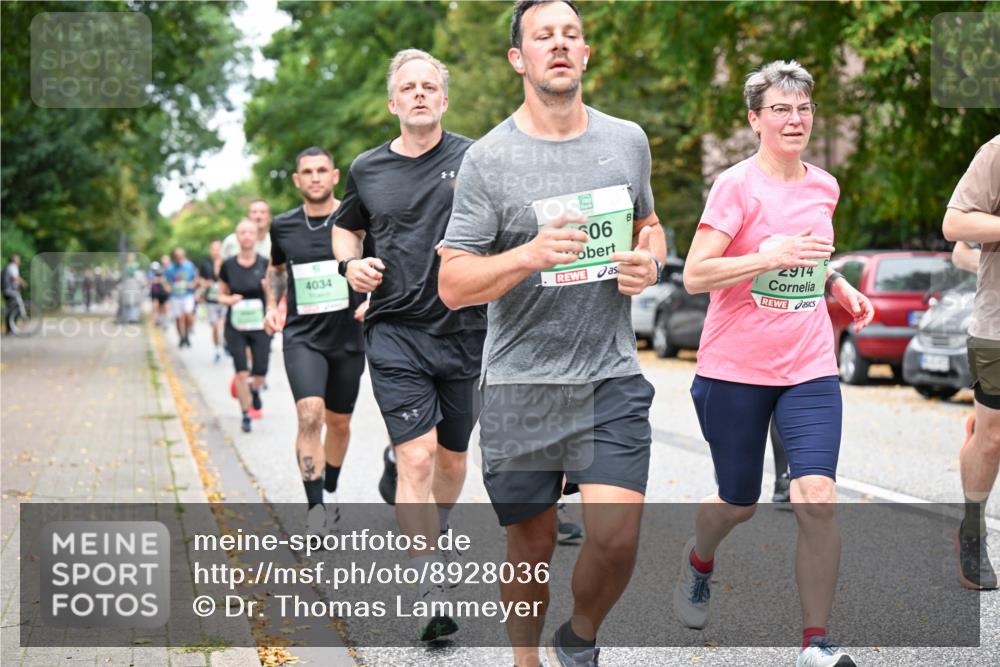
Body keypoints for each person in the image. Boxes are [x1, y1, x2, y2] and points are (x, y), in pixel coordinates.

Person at [438, 2, 666, 664]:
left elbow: (648, 223)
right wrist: (527, 256)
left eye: (571, 35)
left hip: (610, 371)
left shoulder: (627, 140)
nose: (559, 45)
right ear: (520, 58)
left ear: (586, 54)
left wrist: (649, 257)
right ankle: (525, 658)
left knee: (617, 536)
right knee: (532, 544)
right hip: (520, 381)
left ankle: (580, 636)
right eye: (544, 37)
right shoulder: (489, 158)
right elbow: (453, 283)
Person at [675, 60, 874, 667]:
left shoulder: (824, 185)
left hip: (809, 364)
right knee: (738, 502)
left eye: (804, 108)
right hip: (734, 367)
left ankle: (815, 643)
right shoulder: (735, 186)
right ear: (755, 119)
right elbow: (695, 274)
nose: (795, 119)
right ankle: (698, 558)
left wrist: (836, 283)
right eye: (781, 109)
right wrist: (768, 256)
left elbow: (808, 260)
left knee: (816, 492)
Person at [333, 48, 487, 643]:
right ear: (393, 102)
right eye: (409, 88)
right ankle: (428, 588)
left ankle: (433, 526)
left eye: (430, 86)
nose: (420, 94)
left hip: (466, 331)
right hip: (394, 329)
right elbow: (347, 227)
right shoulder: (367, 168)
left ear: (443, 99)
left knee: (450, 460)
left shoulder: (476, 157)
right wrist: (352, 266)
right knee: (419, 458)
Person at [264, 147, 368, 538]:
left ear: (335, 175)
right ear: (297, 180)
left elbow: (379, 263)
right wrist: (274, 305)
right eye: (306, 171)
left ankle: (331, 487)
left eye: (322, 170)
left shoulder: (355, 221)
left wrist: (373, 301)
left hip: (347, 335)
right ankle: (315, 509)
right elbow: (275, 270)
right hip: (302, 337)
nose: (315, 177)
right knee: (310, 415)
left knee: (339, 423)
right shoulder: (284, 226)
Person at [942, 134, 1000, 590]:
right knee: (993, 436)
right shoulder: (997, 153)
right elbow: (955, 226)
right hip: (998, 327)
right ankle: (972, 528)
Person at [218, 220, 272, 433]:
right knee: (241, 372)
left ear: (256, 236)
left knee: (260, 372)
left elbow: (275, 295)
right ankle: (245, 413)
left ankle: (254, 389)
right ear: (237, 237)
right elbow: (219, 294)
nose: (247, 236)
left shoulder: (265, 263)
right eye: (243, 233)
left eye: (251, 232)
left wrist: (269, 292)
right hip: (236, 326)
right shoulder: (228, 265)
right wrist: (229, 300)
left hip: (259, 325)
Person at [165, 248, 198, 347]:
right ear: (174, 257)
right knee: (178, 319)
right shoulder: (170, 268)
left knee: (188, 315)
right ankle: (181, 337)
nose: (179, 258)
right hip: (175, 296)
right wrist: (167, 287)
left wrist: (193, 284)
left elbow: (196, 278)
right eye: (177, 256)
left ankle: (187, 335)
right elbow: (165, 281)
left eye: (181, 256)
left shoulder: (189, 266)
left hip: (187, 295)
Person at [200, 240, 226, 362]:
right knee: (215, 327)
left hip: (225, 300)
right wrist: (206, 283)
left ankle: (225, 344)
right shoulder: (205, 264)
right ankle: (217, 349)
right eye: (214, 249)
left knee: (224, 325)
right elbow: (199, 279)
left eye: (218, 249)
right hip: (211, 300)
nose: (216, 251)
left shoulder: (227, 263)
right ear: (210, 250)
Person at [2, 254, 27, 334]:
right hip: (10, 292)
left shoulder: (9, 267)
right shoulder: (12, 266)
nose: (19, 261)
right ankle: (10, 330)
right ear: (14, 260)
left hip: (8, 291)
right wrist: (23, 283)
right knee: (13, 310)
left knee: (13, 310)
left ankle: (11, 329)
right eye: (18, 259)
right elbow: (15, 277)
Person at [149, 257, 170, 327]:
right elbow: (151, 281)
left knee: (164, 307)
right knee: (156, 306)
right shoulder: (151, 273)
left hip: (163, 292)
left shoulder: (167, 270)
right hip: (155, 292)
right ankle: (157, 320)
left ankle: (164, 321)